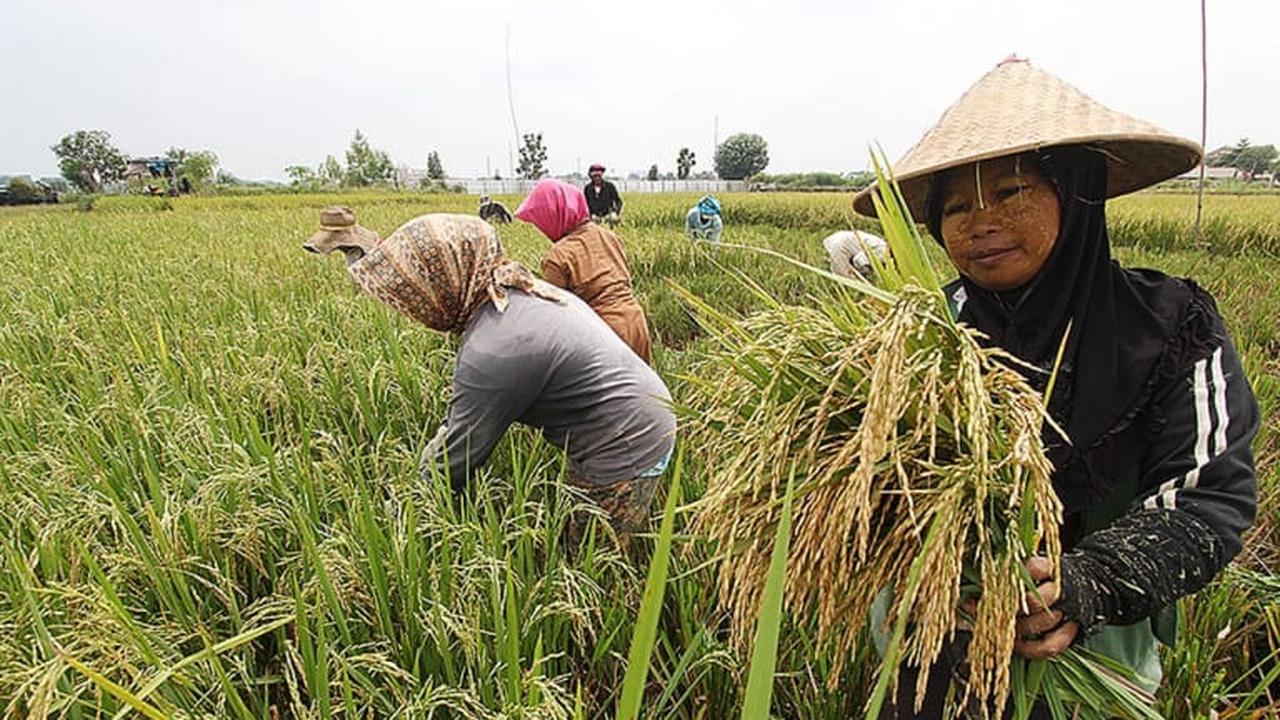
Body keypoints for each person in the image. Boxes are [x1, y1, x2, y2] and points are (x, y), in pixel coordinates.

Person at [851, 57, 1259, 716]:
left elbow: (1211, 497)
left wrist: (1089, 582)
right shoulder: (922, 334)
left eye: (1011, 193)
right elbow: (857, 481)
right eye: (954, 207)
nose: (979, 222)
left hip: (1090, 667)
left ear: (1075, 194)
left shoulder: (1172, 326)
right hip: (931, 655)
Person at [303, 209, 676, 537]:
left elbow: (456, 458)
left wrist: (403, 516)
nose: (413, 309)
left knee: (588, 559)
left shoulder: (495, 347)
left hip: (628, 443)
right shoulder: (520, 290)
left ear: (443, 286)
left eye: (415, 296)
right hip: (643, 411)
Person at [515, 178, 653, 362]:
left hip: (603, 333)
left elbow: (554, 314)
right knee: (642, 388)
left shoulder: (558, 256)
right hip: (636, 321)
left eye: (542, 221)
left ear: (554, 215)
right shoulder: (609, 236)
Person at [822, 229, 888, 283]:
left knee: (841, 273)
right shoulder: (882, 251)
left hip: (837, 239)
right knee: (846, 276)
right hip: (840, 243)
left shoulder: (879, 244)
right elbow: (858, 260)